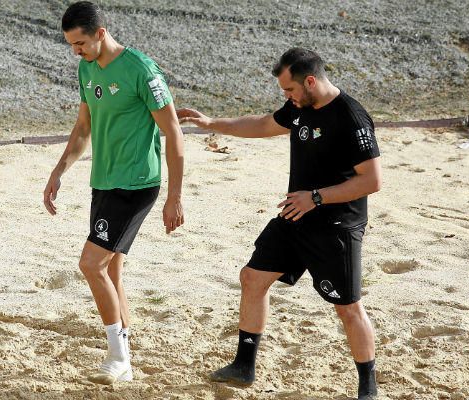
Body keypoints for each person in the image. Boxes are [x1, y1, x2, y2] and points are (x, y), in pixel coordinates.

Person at [177, 48, 381, 399]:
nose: (286, 96)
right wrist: (212, 124)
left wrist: (315, 197)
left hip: (336, 225)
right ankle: (243, 366)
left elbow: (372, 181)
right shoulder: (300, 107)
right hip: (295, 215)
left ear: (311, 81)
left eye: (289, 89)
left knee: (347, 308)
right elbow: (263, 124)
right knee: (252, 278)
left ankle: (368, 386)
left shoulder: (351, 117)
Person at [43, 1, 184, 385]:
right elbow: (83, 127)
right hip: (103, 181)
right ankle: (125, 358)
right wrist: (59, 170)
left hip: (136, 184)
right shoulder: (86, 68)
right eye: (71, 45)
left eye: (81, 43)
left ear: (101, 34)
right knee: (112, 268)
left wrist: (174, 196)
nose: (76, 51)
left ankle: (118, 357)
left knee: (91, 265)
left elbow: (173, 131)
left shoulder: (142, 69)